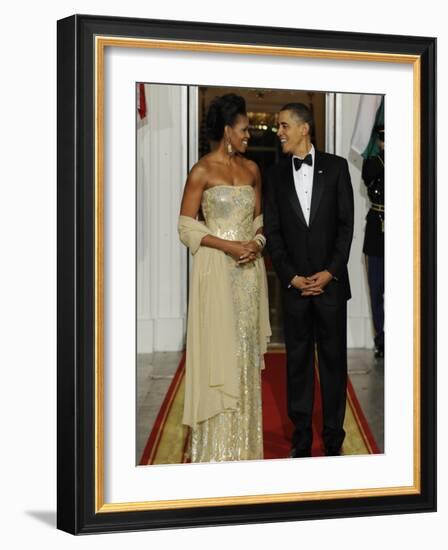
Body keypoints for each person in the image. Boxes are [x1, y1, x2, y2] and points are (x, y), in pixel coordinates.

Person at [178, 93, 271, 463]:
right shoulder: (201, 171)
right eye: (245, 129)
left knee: (244, 352)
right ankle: (215, 450)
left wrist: (257, 243)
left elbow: (260, 221)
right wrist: (229, 246)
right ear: (227, 130)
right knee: (219, 350)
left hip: (249, 277)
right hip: (216, 273)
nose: (249, 135)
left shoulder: (252, 170)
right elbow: (186, 227)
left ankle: (244, 447)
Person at [263, 103, 354, 458]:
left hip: (331, 286)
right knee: (297, 365)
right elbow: (273, 232)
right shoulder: (274, 175)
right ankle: (301, 439)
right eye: (278, 126)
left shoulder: (337, 168)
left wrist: (329, 273)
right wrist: (292, 277)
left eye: (284, 125)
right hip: (295, 289)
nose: (280, 132)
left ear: (304, 129)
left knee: (333, 364)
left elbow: (346, 227)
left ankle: (334, 439)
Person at [362, 125, 385, 359]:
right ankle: (382, 339)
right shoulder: (375, 162)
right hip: (376, 229)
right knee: (376, 287)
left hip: (401, 228)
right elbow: (368, 175)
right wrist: (385, 156)